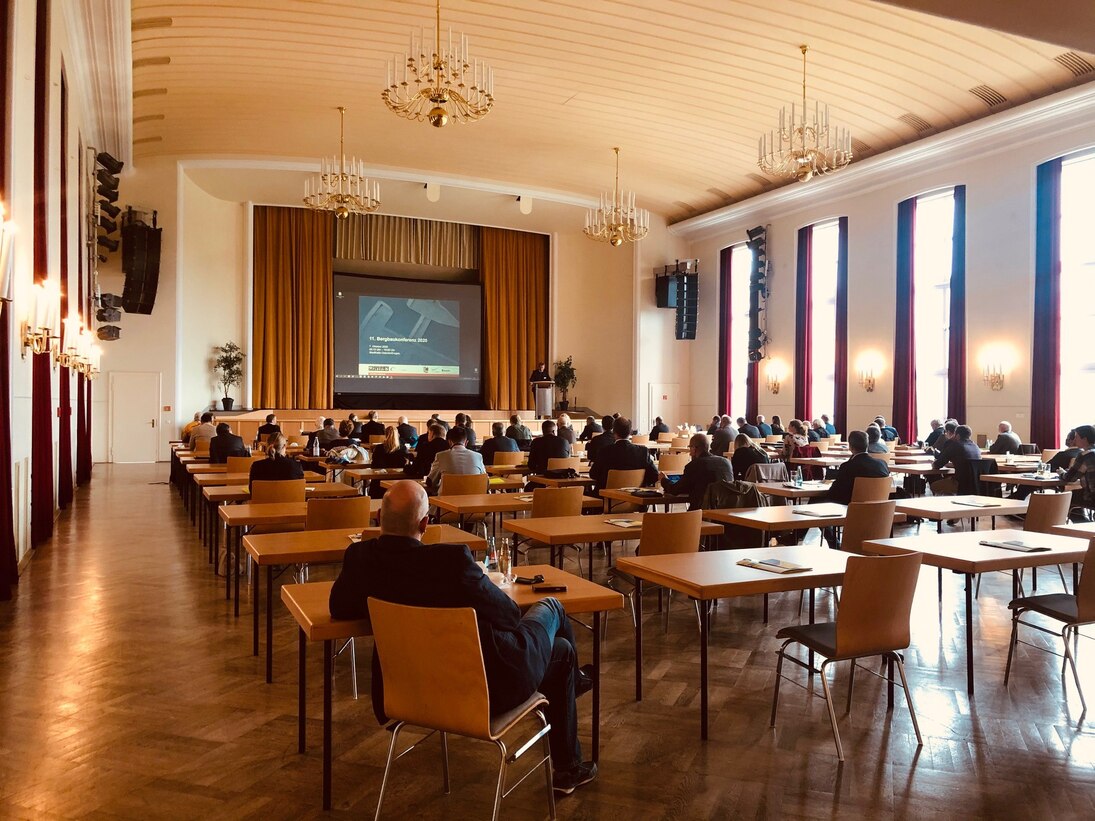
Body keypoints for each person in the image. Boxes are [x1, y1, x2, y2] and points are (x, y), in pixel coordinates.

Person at [328, 481, 597, 793]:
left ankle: (573, 690)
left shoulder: (361, 559)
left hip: (406, 689)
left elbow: (340, 607)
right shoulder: (451, 563)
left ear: (378, 519)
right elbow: (510, 617)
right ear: (425, 523)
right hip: (483, 690)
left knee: (560, 651)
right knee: (554, 615)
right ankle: (569, 758)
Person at [821, 429, 891, 547]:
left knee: (816, 503)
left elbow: (835, 493)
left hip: (852, 506)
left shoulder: (848, 466)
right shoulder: (882, 464)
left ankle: (834, 543)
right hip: (880, 508)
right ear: (867, 445)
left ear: (851, 446)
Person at [660, 433, 732, 510]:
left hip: (701, 512)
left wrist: (664, 480)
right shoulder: (726, 462)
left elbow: (676, 490)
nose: (690, 452)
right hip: (725, 510)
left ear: (694, 449)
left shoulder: (694, 465)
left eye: (690, 447)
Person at [589, 416, 658, 491]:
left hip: (607, 497)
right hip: (635, 498)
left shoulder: (605, 451)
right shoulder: (643, 452)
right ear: (630, 432)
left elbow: (593, 474)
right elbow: (654, 476)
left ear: (614, 432)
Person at [426, 426, 485, 492]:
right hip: (474, 500)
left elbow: (430, 482)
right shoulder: (478, 456)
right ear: (466, 442)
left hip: (447, 500)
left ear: (450, 442)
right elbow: (486, 481)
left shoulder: (441, 456)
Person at [931, 424, 983, 496]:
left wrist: (933, 463)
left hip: (960, 483)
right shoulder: (975, 446)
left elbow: (937, 465)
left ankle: (949, 504)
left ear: (957, 435)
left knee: (934, 486)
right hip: (976, 483)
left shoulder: (955, 445)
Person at [1060, 424, 1095, 516]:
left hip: (1092, 497)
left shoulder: (1085, 455)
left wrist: (1062, 473)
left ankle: (1082, 523)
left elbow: (1070, 478)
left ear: (1085, 439)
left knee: (1066, 497)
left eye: (1076, 437)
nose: (1074, 440)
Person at [368, 427, 412, 499]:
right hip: (398, 483)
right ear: (398, 435)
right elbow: (405, 465)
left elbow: (374, 466)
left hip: (379, 484)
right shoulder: (403, 449)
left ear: (385, 435)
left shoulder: (379, 448)